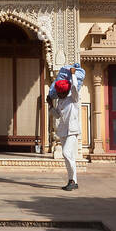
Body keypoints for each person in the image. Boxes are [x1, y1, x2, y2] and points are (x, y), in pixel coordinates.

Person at [48, 62, 85, 191]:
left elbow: (74, 86)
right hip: (63, 131)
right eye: (59, 94)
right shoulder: (60, 101)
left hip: (73, 130)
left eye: (62, 93)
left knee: (66, 153)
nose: (60, 95)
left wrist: (73, 74)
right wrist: (51, 106)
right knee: (69, 157)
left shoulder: (73, 98)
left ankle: (72, 180)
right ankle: (72, 180)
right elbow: (57, 115)